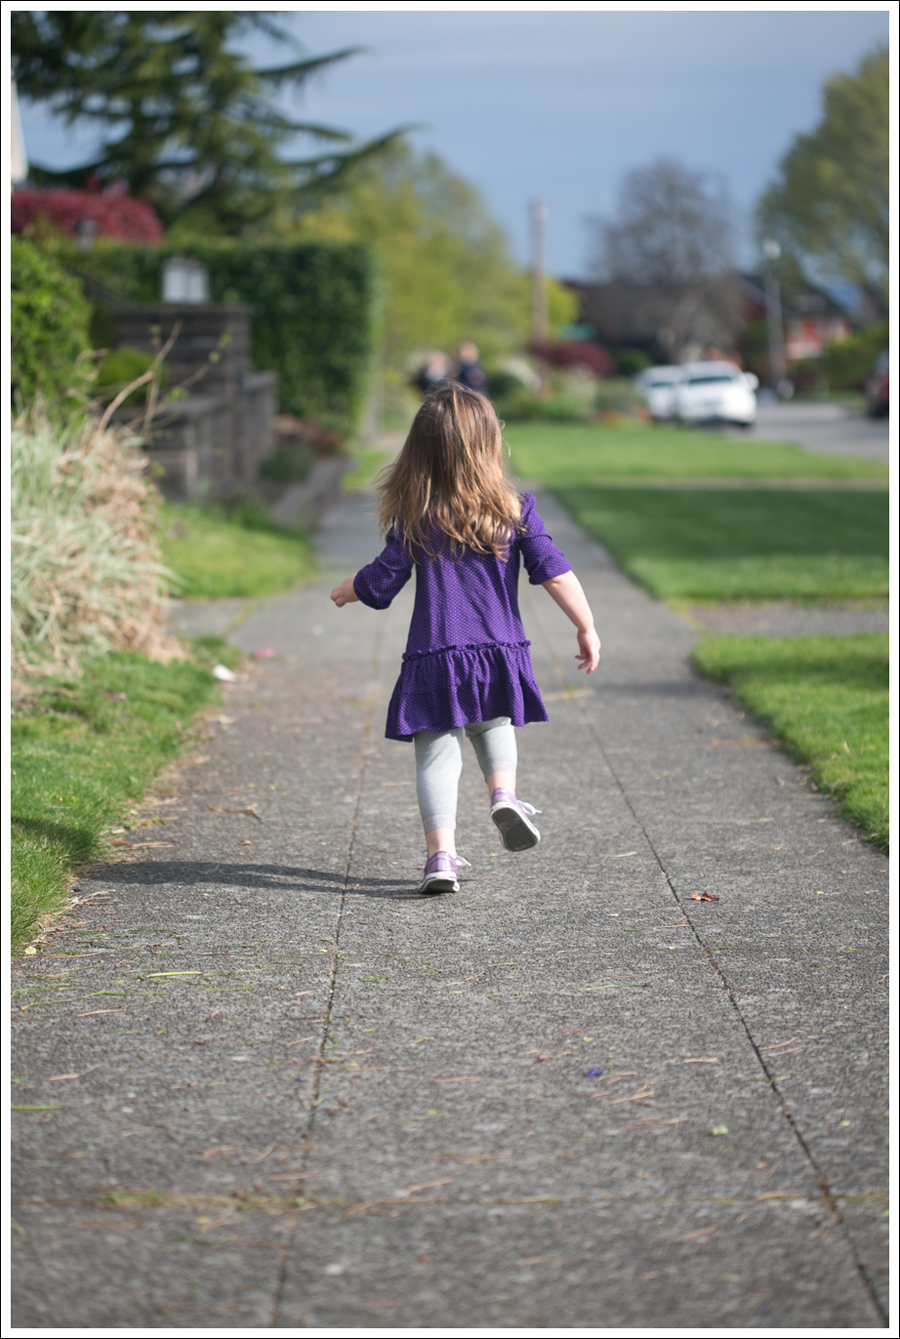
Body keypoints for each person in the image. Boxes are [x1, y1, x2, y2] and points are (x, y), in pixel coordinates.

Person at [330, 383, 601, 894]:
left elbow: (383, 581)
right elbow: (555, 572)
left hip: (436, 654)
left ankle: (441, 857)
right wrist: (585, 626)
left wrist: (351, 589)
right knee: (494, 723)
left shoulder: (416, 517)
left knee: (436, 752)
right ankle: (504, 795)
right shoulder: (515, 510)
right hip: (498, 651)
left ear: (420, 452)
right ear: (489, 444)